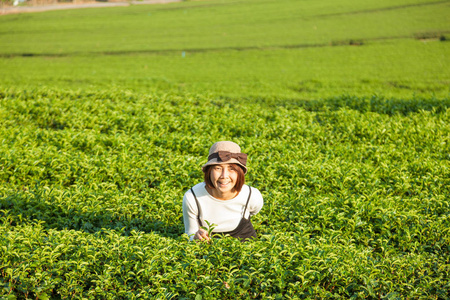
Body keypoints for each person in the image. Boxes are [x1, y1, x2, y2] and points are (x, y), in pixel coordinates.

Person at [182, 141, 264, 242]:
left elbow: (254, 211)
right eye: (218, 168)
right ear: (209, 171)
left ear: (239, 173)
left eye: (231, 168)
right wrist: (195, 236)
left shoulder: (252, 196)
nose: (224, 176)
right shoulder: (193, 197)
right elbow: (190, 233)